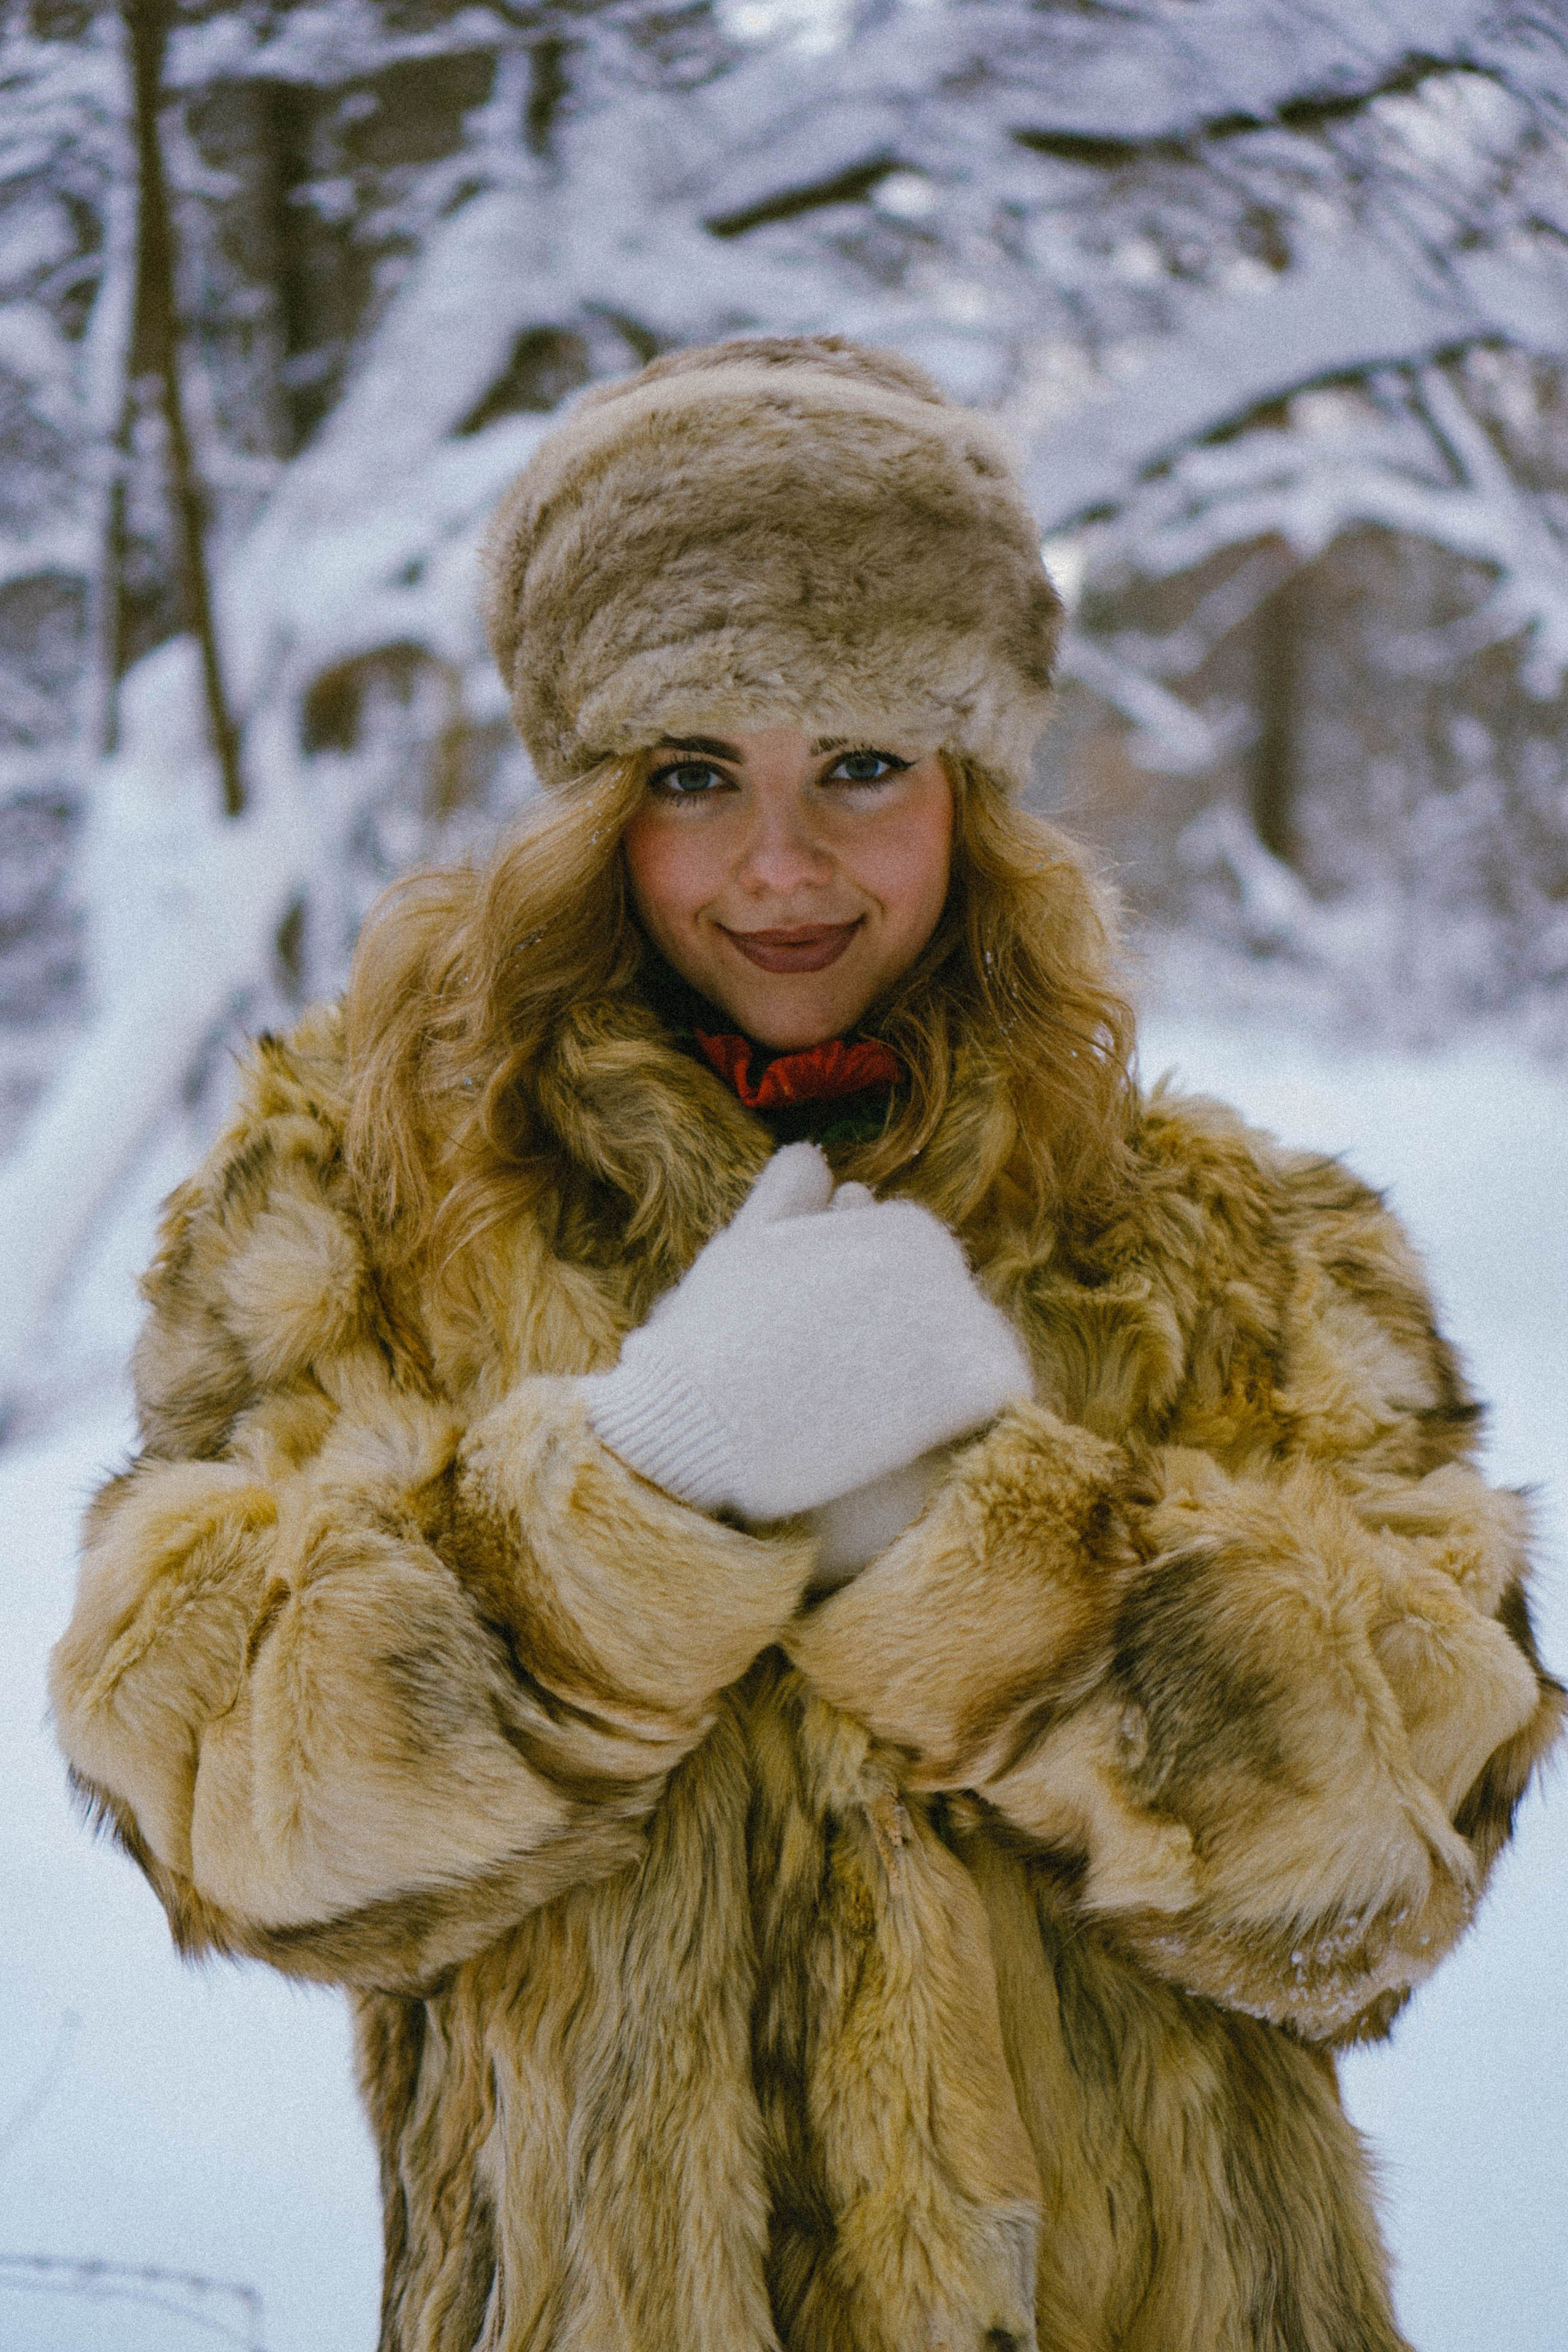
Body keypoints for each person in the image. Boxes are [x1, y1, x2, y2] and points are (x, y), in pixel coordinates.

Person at [51, 336, 1561, 2352]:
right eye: (695, 774)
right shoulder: (364, 1208)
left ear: (973, 787)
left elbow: (1384, 1875)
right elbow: (221, 1799)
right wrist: (638, 1496)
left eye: (861, 763)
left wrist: (970, 1547)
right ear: (594, 803)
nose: (782, 866)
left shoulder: (1230, 1240)